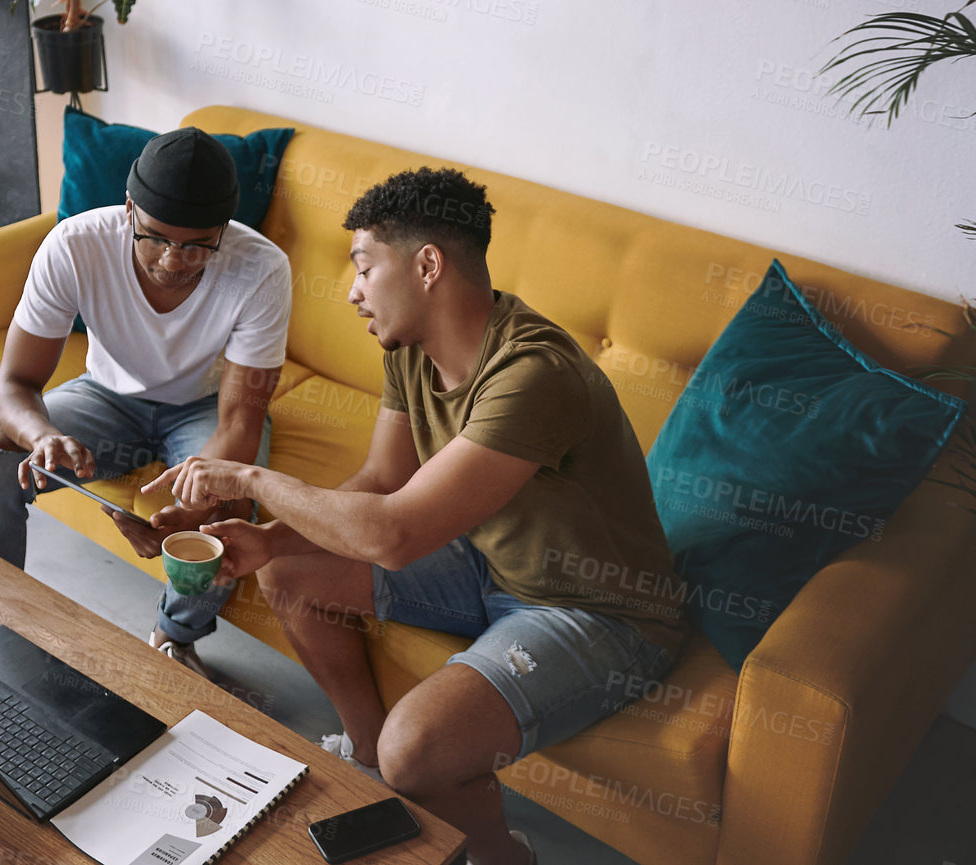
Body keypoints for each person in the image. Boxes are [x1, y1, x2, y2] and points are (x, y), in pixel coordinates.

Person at [144, 166, 687, 865]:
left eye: (365, 267)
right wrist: (266, 537)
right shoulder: (411, 348)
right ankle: (367, 762)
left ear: (427, 264)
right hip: (487, 557)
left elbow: (394, 535)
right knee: (289, 569)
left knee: (418, 748)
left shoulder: (535, 374)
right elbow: (379, 480)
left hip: (597, 609)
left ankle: (500, 855)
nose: (351, 289)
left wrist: (249, 476)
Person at [0, 126, 289, 677]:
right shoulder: (77, 244)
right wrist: (42, 438)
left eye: (197, 244)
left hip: (206, 407)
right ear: (129, 209)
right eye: (155, 237)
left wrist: (190, 508)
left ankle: (175, 640)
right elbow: (14, 384)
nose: (173, 260)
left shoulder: (262, 268)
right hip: (106, 395)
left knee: (230, 504)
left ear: (224, 231)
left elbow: (239, 420)